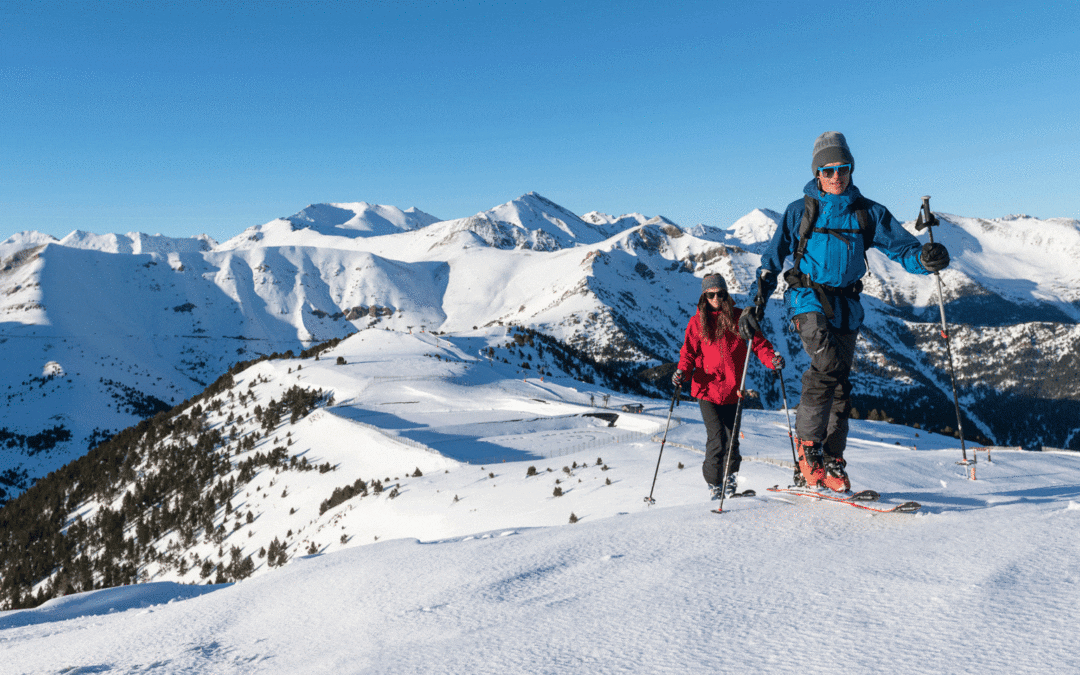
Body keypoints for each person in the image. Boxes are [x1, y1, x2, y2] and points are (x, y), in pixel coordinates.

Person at [739, 131, 950, 492]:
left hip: (848, 306)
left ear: (851, 170)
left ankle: (833, 460)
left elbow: (903, 250)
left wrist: (926, 259)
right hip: (807, 299)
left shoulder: (868, 212)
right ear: (817, 172)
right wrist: (758, 300)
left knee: (841, 385)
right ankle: (808, 450)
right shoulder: (799, 211)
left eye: (844, 168)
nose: (837, 176)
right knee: (826, 368)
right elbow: (771, 259)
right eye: (829, 169)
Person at [673, 273, 784, 499]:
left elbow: (759, 344)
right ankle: (715, 485)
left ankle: (730, 478)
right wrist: (682, 373)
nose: (715, 297)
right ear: (704, 296)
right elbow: (688, 354)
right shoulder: (696, 323)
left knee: (731, 438)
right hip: (707, 390)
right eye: (711, 294)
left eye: (720, 293)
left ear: (726, 293)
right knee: (717, 438)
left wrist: (772, 359)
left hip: (734, 390)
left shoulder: (739, 318)